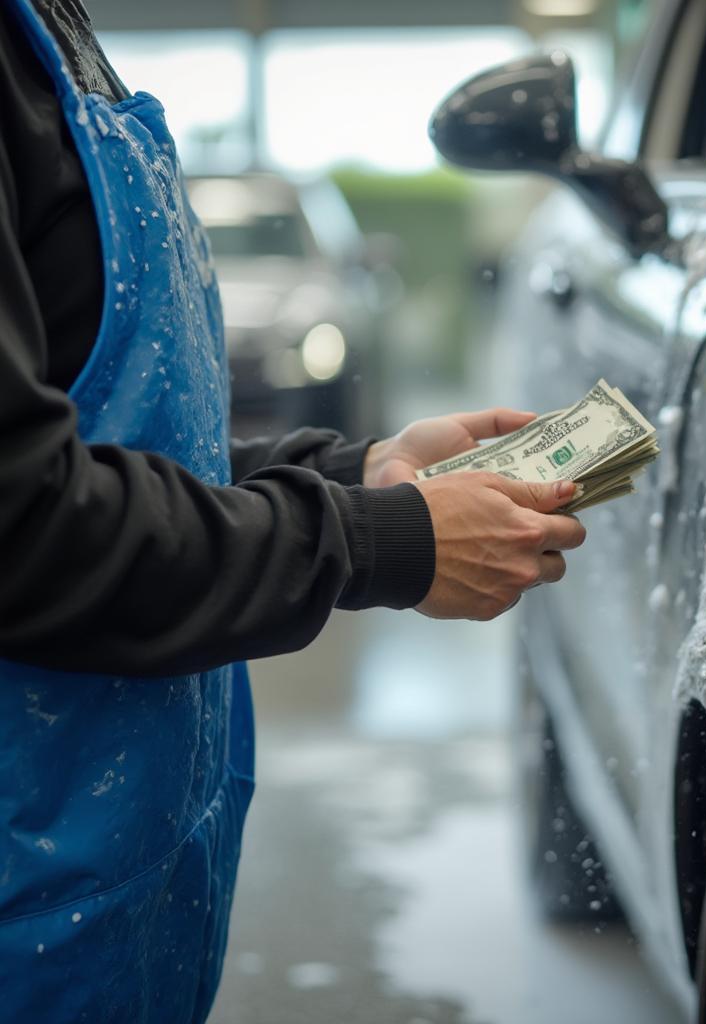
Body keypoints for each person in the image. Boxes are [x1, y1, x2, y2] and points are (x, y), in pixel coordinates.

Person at [0, 1, 586, 1019]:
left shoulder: (44, 32)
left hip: (106, 875)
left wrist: (358, 473)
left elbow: (104, 443)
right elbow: (20, 524)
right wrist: (374, 543)